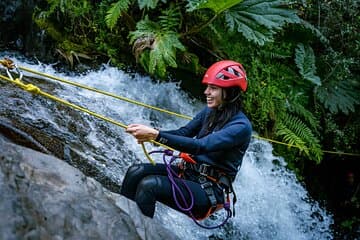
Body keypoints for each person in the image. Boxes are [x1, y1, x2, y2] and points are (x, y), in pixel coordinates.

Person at [121, 60, 252, 222]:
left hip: (208, 190)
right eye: (207, 87)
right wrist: (151, 135)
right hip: (189, 174)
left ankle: (140, 233)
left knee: (149, 185)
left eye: (213, 88)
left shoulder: (240, 127)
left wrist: (156, 135)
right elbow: (184, 133)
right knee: (136, 171)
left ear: (230, 92)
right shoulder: (210, 112)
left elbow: (200, 146)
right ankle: (122, 221)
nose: (206, 92)